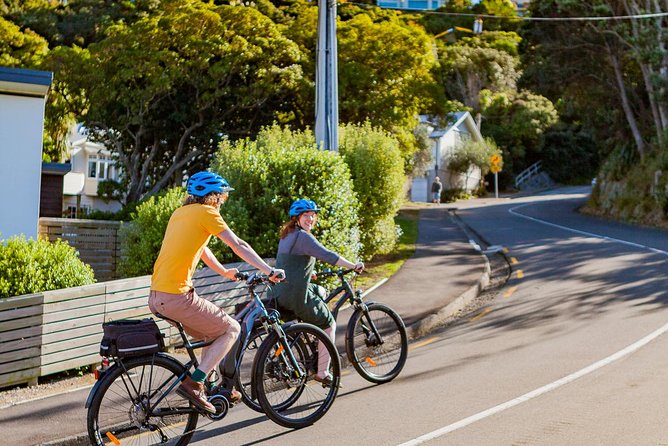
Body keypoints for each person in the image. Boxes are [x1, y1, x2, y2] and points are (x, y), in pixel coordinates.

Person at [149, 171, 285, 414]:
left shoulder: (180, 214)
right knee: (232, 328)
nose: (223, 200)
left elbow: (201, 249)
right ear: (212, 197)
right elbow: (238, 244)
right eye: (222, 196)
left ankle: (211, 387)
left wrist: (223, 271)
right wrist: (268, 269)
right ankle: (196, 383)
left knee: (210, 334)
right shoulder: (207, 213)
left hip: (157, 296)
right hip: (177, 296)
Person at [271, 199, 364, 386]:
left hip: (281, 292)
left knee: (321, 291)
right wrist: (353, 266)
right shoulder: (303, 237)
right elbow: (329, 256)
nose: (311, 219)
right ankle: (322, 372)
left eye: (313, 215)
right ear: (296, 218)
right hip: (297, 295)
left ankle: (314, 337)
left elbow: (291, 262)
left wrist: (307, 272)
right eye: (306, 215)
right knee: (329, 323)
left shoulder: (287, 234)